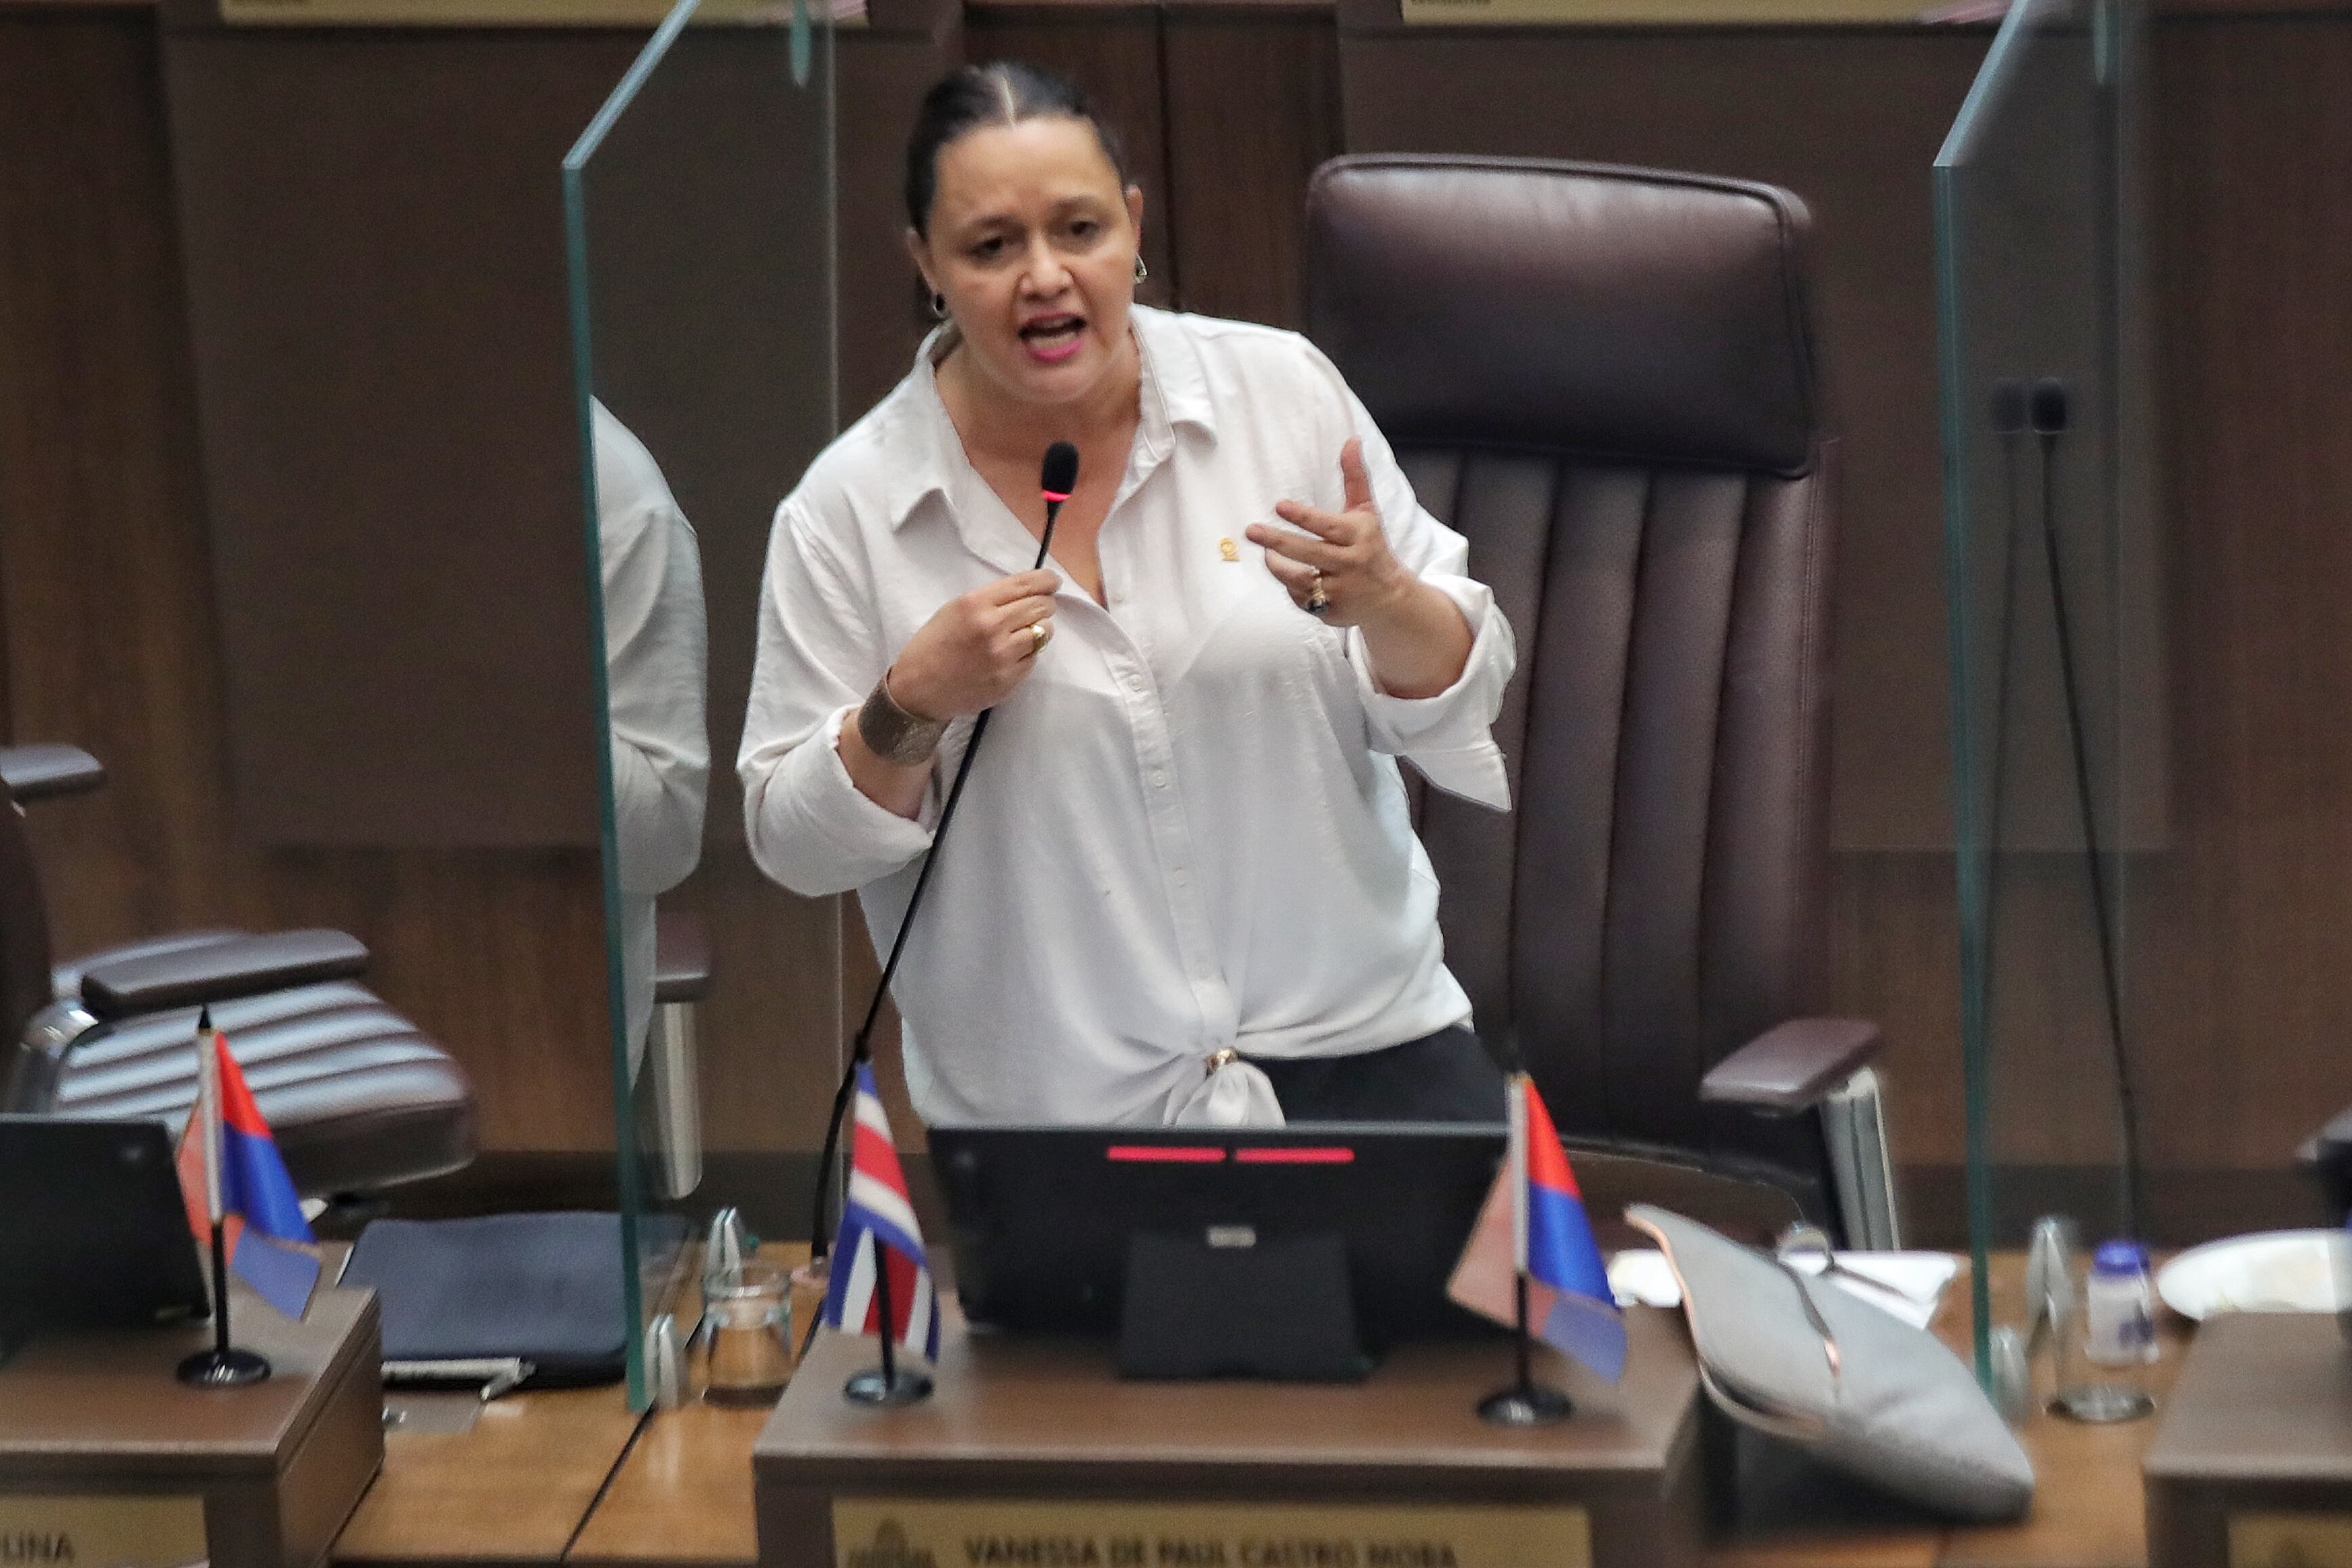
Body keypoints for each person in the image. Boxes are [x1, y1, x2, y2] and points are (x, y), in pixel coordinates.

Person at [737, 62, 1516, 1128]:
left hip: (1367, 1056)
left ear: (1132, 226)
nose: (1046, 277)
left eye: (1079, 230)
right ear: (926, 262)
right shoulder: (853, 509)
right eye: (991, 247)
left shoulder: (1280, 393)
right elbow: (795, 847)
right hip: (1066, 1117)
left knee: (1479, 1302)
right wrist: (908, 704)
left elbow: (1463, 697)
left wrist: (1384, 599)